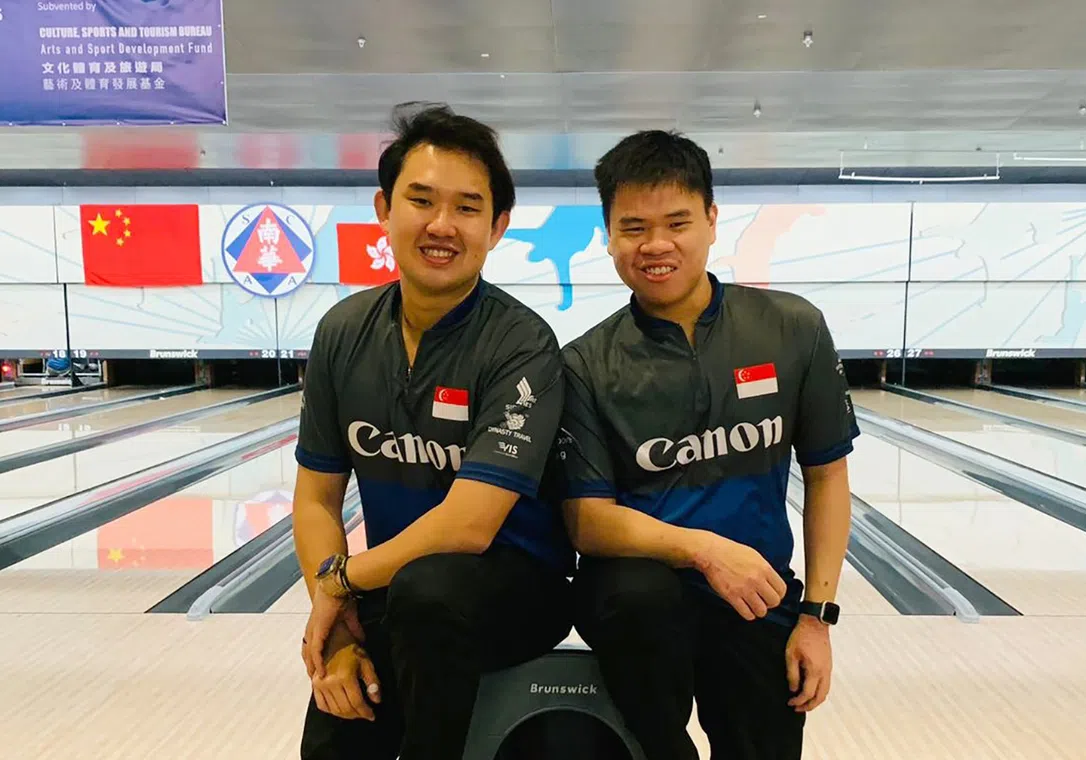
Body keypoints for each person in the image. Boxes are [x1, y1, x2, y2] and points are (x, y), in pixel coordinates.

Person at [555, 129, 858, 760]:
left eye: (677, 223)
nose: (656, 245)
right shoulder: (585, 363)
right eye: (633, 227)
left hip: (757, 596)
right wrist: (704, 551)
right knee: (639, 597)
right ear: (608, 235)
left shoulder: (792, 329)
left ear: (712, 220)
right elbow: (587, 520)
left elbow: (827, 475)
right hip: (637, 602)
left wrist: (816, 617)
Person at [291, 103, 574, 760]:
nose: (441, 225)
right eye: (421, 200)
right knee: (337, 729)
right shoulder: (343, 333)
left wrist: (341, 582)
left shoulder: (521, 344)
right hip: (391, 587)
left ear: (497, 227)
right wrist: (339, 628)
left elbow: (469, 526)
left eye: (467, 208)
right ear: (384, 209)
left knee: (430, 591)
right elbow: (315, 499)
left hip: (516, 592)